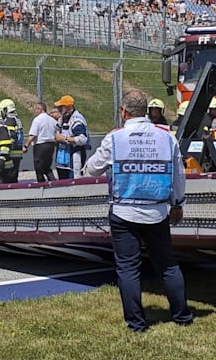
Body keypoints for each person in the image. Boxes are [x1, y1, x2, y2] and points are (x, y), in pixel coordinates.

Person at [82, 90, 193, 331]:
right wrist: (177, 204)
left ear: (124, 112)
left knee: (128, 268)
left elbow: (92, 170)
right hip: (157, 210)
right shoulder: (167, 137)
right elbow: (179, 175)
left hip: (125, 210)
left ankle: (136, 323)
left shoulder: (115, 138)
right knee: (167, 265)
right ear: (146, 111)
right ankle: (182, 316)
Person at [53, 95, 89, 180]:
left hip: (74, 157)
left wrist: (64, 139)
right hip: (62, 159)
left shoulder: (77, 120)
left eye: (61, 107)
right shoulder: (63, 118)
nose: (59, 109)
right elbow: (57, 133)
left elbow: (83, 139)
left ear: (69, 107)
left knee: (74, 182)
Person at [25, 101, 58, 182]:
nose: (35, 111)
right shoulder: (52, 120)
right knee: (47, 167)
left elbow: (33, 135)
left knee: (38, 168)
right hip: (51, 145)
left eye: (35, 109)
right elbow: (57, 132)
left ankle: (41, 185)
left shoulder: (37, 120)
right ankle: (53, 182)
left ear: (39, 109)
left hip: (40, 145)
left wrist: (26, 145)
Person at [0, 98, 24, 183]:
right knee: (13, 177)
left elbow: (11, 138)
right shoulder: (16, 119)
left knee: (9, 178)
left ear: (5, 109)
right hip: (17, 152)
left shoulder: (9, 121)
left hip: (12, 153)